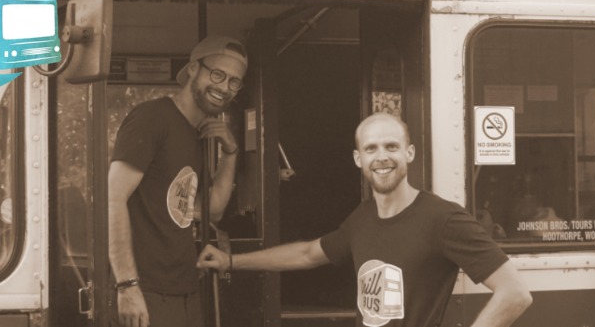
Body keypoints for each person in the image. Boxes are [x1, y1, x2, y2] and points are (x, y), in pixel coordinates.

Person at [197, 113, 532, 327]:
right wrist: (231, 261)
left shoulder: (442, 218)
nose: (382, 157)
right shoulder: (362, 218)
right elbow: (307, 253)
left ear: (409, 153)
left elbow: (515, 293)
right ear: (359, 158)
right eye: (371, 149)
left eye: (391, 146)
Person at [109, 35, 248, 327]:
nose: (224, 87)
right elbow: (112, 199)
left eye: (234, 81)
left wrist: (230, 152)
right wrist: (127, 285)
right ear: (194, 68)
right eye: (218, 74)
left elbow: (212, 210)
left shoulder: (197, 134)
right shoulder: (152, 118)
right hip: (146, 290)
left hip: (184, 288)